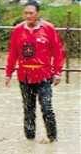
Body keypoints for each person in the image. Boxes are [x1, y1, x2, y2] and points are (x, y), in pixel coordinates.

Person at [4, 1, 65, 142]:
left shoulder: (48, 29)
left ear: (38, 13)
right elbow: (13, 53)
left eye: (31, 13)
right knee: (28, 109)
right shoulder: (18, 30)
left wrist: (57, 72)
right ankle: (30, 140)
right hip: (24, 76)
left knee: (47, 108)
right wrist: (8, 73)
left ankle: (52, 138)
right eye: (25, 13)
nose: (28, 15)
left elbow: (58, 52)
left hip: (44, 75)